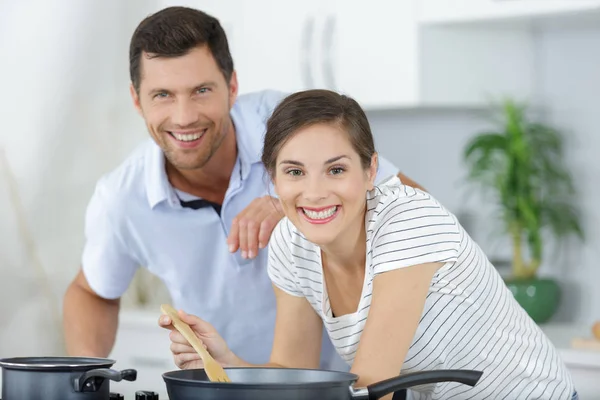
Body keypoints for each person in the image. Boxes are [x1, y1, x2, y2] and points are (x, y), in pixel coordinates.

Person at [62, 6, 425, 371]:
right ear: (136, 100)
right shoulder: (121, 197)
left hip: (358, 379)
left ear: (232, 87)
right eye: (162, 95)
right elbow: (92, 292)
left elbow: (417, 209)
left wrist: (294, 200)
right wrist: (83, 379)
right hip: (229, 387)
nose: (184, 116)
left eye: (202, 90)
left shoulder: (289, 126)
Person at [159, 89, 578, 400]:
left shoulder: (408, 221)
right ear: (273, 179)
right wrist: (227, 362)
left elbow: (371, 387)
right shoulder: (291, 241)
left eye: (336, 169)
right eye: (295, 172)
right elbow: (294, 372)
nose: (316, 193)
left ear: (370, 169)